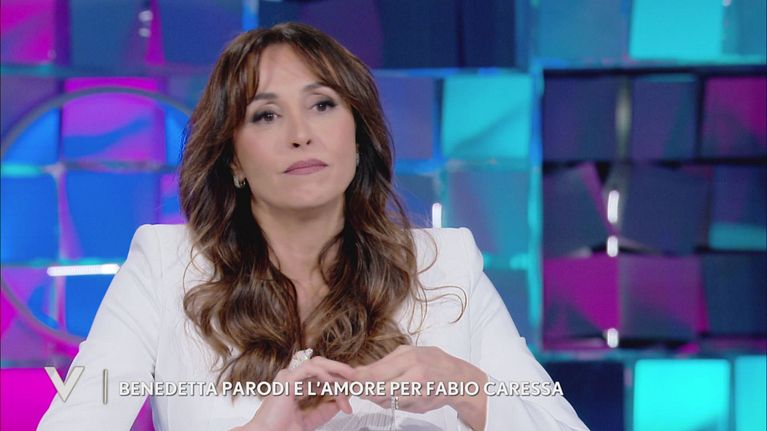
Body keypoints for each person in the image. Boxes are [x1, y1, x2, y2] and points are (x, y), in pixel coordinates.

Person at [38, 22, 588, 431]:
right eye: (266, 115)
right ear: (233, 159)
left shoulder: (444, 264)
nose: (300, 134)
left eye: (322, 105)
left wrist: (467, 389)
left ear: (359, 136)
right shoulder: (164, 266)